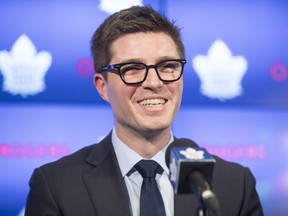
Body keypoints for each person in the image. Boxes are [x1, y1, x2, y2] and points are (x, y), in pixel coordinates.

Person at [25, 5, 263, 216]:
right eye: (133, 68)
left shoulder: (235, 185)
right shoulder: (56, 186)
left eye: (167, 66)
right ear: (103, 87)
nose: (154, 82)